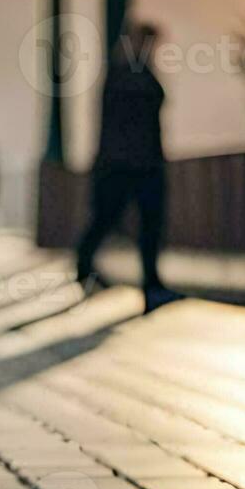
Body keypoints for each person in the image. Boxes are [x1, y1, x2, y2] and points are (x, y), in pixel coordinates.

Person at [75, 21, 177, 311]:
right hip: (131, 164)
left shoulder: (128, 73)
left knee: (131, 222)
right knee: (123, 220)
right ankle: (145, 283)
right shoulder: (130, 75)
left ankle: (145, 281)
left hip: (132, 163)